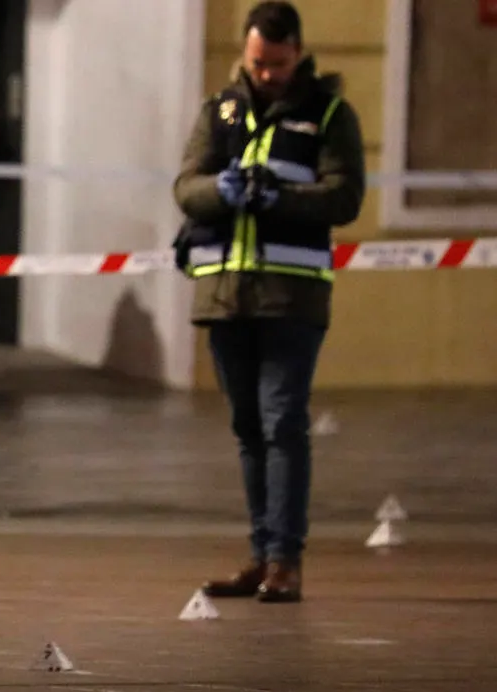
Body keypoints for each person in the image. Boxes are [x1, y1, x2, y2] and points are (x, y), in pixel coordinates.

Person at [175, 2, 365, 603]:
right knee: (248, 428)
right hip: (226, 294)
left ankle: (286, 560)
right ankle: (260, 555)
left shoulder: (329, 114)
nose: (267, 75)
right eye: (258, 63)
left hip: (292, 295)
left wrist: (277, 197)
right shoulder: (220, 110)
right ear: (246, 52)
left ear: (298, 55)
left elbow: (344, 197)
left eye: (278, 65)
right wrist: (220, 191)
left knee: (283, 422)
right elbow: (187, 186)